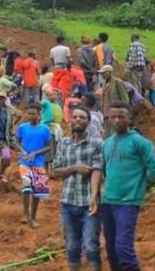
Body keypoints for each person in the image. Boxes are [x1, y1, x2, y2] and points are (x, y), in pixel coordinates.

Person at [100, 102, 155, 271]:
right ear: (108, 119)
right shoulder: (107, 143)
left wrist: (141, 187)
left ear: (129, 119)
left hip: (129, 202)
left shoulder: (140, 142)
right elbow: (105, 170)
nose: (117, 120)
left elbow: (154, 169)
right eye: (113, 117)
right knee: (110, 247)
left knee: (123, 247)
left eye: (121, 117)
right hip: (108, 200)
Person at [51, 107, 103, 271]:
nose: (78, 119)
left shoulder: (96, 143)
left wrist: (94, 197)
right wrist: (74, 168)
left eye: (82, 117)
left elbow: (97, 170)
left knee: (91, 246)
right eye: (75, 117)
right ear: (70, 120)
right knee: (72, 246)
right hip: (67, 202)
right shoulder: (64, 143)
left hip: (89, 203)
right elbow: (54, 171)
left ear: (88, 121)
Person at [16, 103, 52, 228]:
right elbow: (17, 142)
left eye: (34, 114)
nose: (31, 116)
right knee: (26, 187)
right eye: (29, 113)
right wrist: (23, 151)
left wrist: (36, 153)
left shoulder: (45, 129)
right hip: (24, 162)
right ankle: (25, 214)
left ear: (39, 114)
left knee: (37, 191)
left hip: (39, 163)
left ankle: (33, 216)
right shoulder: (22, 128)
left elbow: (48, 146)